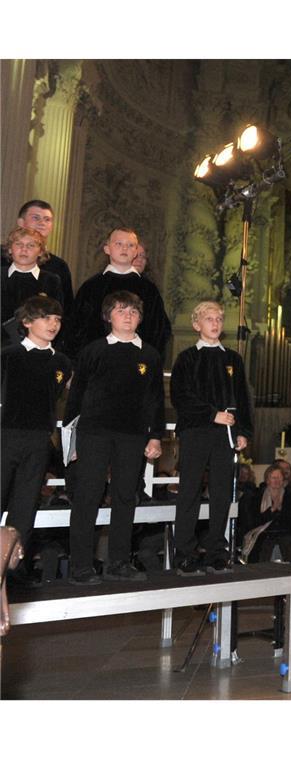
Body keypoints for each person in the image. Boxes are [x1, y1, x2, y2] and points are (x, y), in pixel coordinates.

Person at [63, 291, 165, 584]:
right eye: (121, 310)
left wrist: (155, 437)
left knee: (125, 497)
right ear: (109, 316)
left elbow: (155, 401)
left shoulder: (150, 355)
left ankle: (119, 562)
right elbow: (76, 398)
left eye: (134, 311)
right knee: (87, 497)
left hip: (132, 436)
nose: (128, 315)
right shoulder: (92, 351)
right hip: (93, 434)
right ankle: (81, 566)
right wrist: (72, 442)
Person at [169, 301, 253, 575]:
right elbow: (181, 397)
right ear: (196, 324)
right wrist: (211, 414)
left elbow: (242, 398)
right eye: (208, 318)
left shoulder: (233, 359)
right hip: (196, 431)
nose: (215, 323)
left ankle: (217, 551)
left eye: (218, 318)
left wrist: (243, 431)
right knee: (190, 492)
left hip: (225, 434)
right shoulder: (187, 358)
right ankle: (185, 552)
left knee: (221, 493)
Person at [1, 296, 72, 585]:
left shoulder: (62, 362)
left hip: (39, 440)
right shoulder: (8, 356)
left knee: (25, 508)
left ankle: (15, 570)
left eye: (57, 319)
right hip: (5, 437)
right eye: (46, 318)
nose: (53, 324)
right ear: (27, 322)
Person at [65, 227, 172, 357]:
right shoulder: (91, 287)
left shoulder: (148, 289)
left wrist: (148, 359)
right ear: (107, 249)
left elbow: (158, 331)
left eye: (130, 245)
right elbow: (76, 329)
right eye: (119, 244)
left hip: (137, 361)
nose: (124, 248)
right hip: (97, 361)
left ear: (136, 251)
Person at [2, 227, 65, 343]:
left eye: (31, 245)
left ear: (41, 251)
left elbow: (58, 315)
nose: (24, 249)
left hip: (37, 345)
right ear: (10, 249)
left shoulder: (51, 281)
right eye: (18, 244)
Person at [10, 200, 73, 315]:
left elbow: (66, 310)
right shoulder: (2, 258)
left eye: (47, 219)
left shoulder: (59, 266)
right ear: (21, 222)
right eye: (36, 218)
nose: (42, 223)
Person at [237, 464, 291, 563]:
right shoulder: (257, 497)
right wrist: (272, 510)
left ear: (283, 480)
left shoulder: (290, 497)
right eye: (273, 477)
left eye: (279, 477)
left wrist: (279, 512)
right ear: (267, 480)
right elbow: (254, 521)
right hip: (263, 534)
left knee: (288, 542)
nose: (276, 480)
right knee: (265, 544)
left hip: (285, 533)